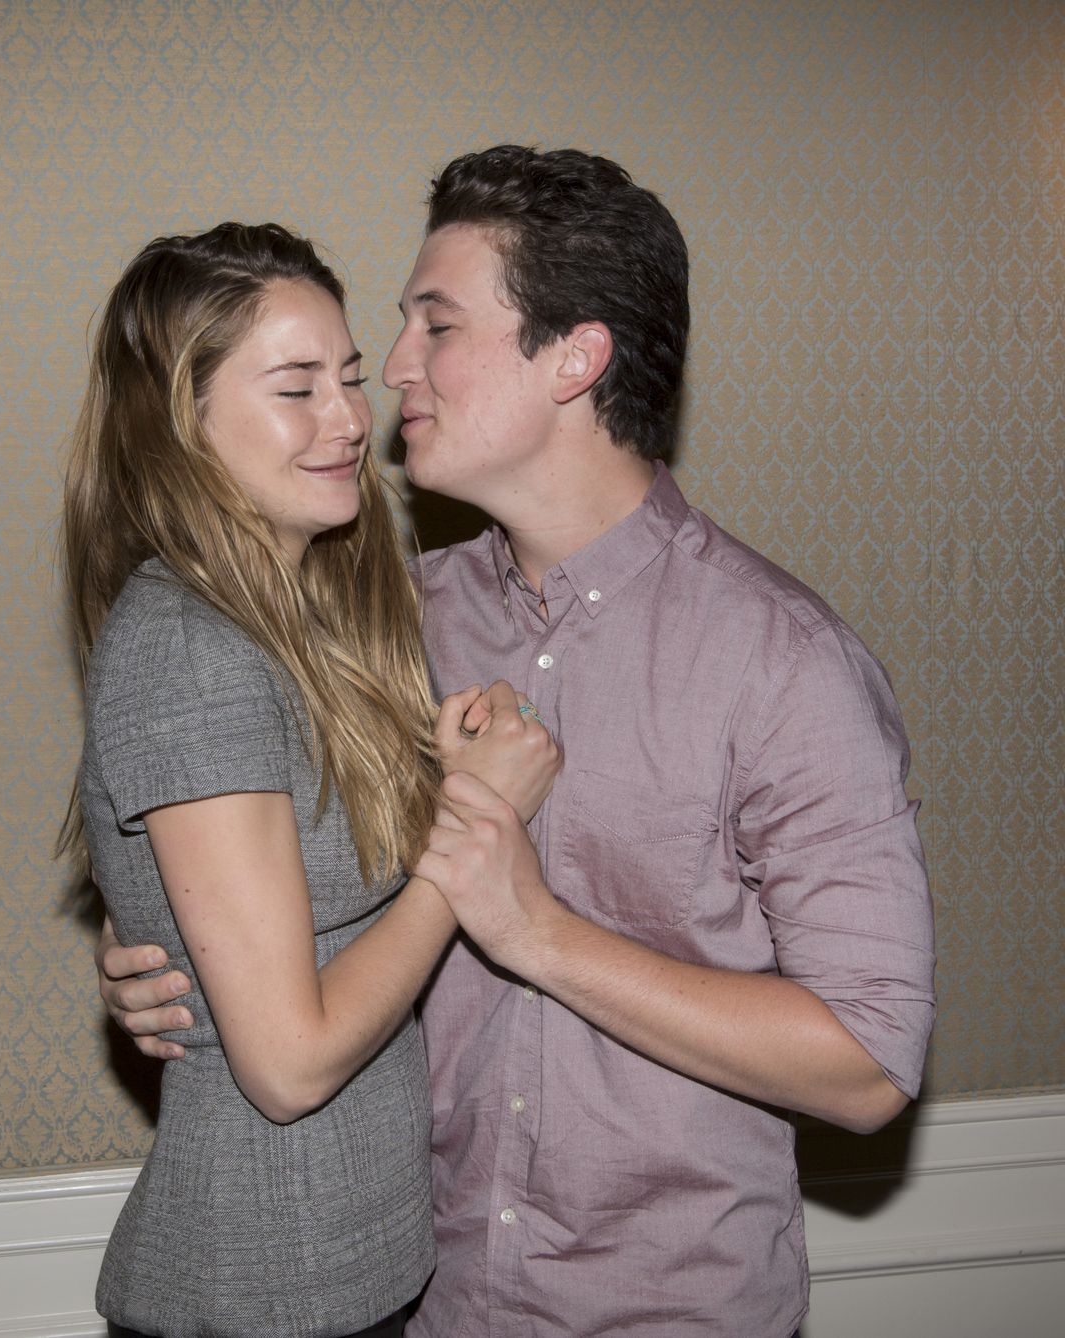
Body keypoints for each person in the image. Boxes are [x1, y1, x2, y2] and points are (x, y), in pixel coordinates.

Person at [97, 150, 937, 1337]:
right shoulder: (385, 622)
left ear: (575, 358)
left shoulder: (784, 664)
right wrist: (176, 953)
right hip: (411, 1300)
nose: (391, 373)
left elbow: (866, 1065)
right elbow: (264, 890)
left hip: (664, 1313)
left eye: (435, 326)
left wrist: (533, 928)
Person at [61, 220, 559, 1338]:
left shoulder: (320, 613)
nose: (349, 421)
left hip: (358, 1275)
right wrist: (471, 833)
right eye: (296, 389)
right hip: (258, 1293)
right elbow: (286, 1067)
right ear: (181, 422)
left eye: (345, 377)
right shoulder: (190, 645)